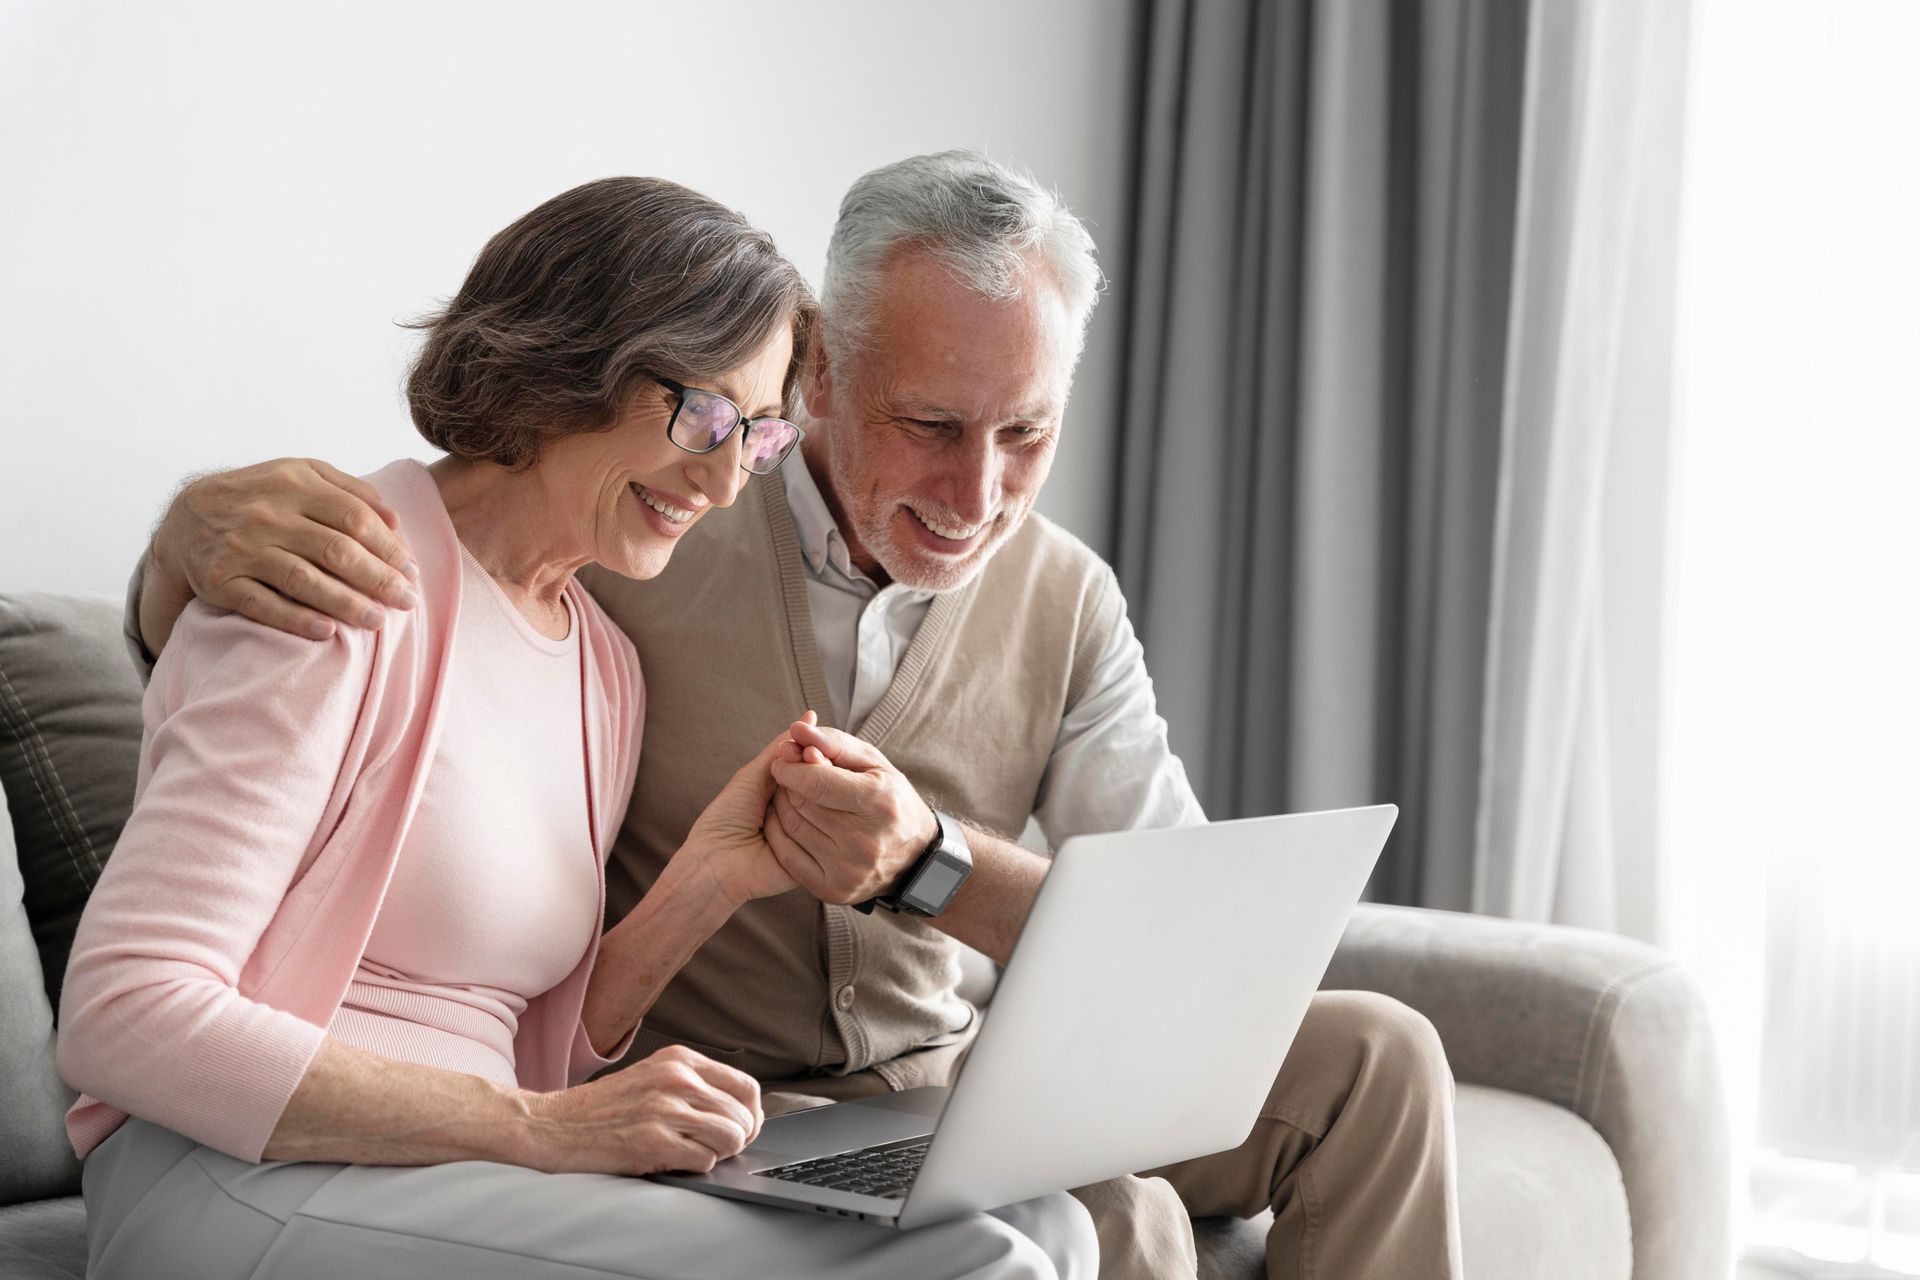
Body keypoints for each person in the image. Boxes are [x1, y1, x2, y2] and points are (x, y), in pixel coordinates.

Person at [130, 152, 1464, 1280]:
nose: (978, 489)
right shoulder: (641, 533)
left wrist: (925, 866)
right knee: (1097, 1221)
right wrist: (181, 549)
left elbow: (1181, 942)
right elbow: (402, 585)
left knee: (1376, 1059)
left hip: (964, 1073)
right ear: (820, 367)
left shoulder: (1060, 598)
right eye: (934, 424)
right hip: (737, 1092)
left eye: (1028, 435)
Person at [59, 175, 1097, 1280]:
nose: (722, 478)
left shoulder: (600, 665)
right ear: (565, 366)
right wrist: (542, 1133)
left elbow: (531, 1055)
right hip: (236, 1173)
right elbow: (126, 1013)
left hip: (460, 1173)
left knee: (1045, 1225)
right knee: (980, 1268)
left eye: (754, 435)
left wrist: (709, 876)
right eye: (701, 413)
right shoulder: (338, 574)